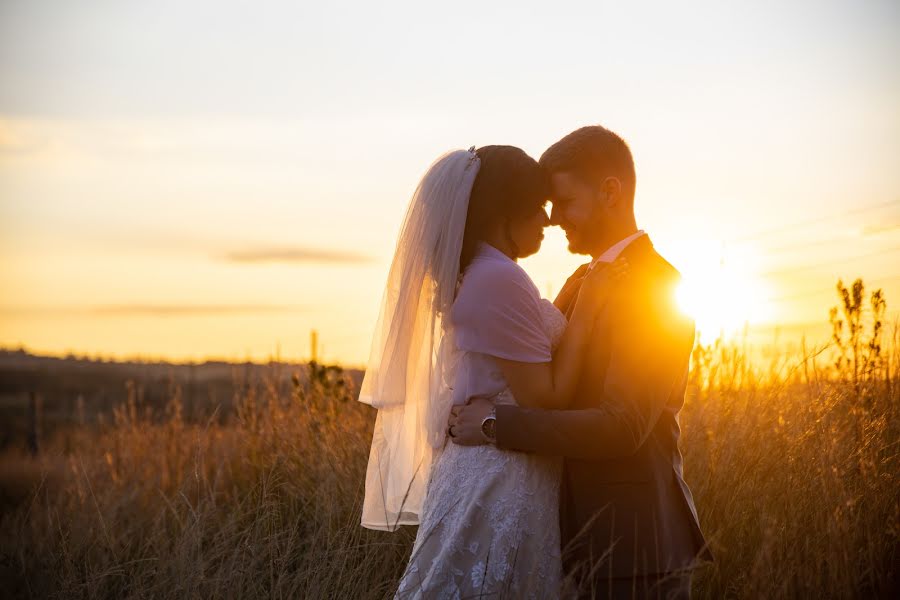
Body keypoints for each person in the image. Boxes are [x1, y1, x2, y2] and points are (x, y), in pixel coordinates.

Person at [449, 126, 713, 599]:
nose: (553, 218)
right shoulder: (579, 280)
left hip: (635, 545)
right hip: (573, 541)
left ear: (610, 191)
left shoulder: (656, 287)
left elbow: (622, 426)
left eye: (564, 202)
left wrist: (495, 425)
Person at [358, 145, 626, 598]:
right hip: (501, 474)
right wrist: (588, 309)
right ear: (506, 214)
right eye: (538, 208)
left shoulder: (479, 272)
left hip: (492, 463)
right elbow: (546, 397)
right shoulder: (499, 278)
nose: (547, 220)